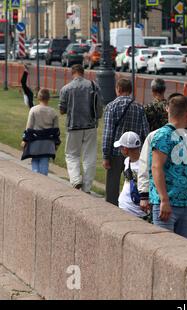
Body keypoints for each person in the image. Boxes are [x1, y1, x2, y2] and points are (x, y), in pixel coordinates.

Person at [138, 93, 187, 214]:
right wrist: (144, 194)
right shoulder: (156, 136)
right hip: (162, 201)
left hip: (186, 201)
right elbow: (147, 166)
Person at [149, 95, 187, 239]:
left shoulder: (184, 136)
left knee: (184, 251)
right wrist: (164, 200)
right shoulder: (164, 135)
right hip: (168, 206)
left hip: (186, 204)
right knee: (165, 250)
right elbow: (156, 168)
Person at [102, 78, 150, 206]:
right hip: (134, 153)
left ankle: (112, 207)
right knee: (134, 182)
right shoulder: (139, 107)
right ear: (130, 90)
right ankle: (133, 205)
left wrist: (106, 155)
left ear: (118, 89)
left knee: (113, 184)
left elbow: (108, 133)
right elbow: (146, 131)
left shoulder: (111, 106)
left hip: (117, 152)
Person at [59, 64, 103, 193]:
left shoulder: (66, 89)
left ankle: (75, 179)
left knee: (72, 155)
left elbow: (62, 109)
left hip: (73, 125)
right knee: (89, 156)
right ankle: (87, 187)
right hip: (90, 126)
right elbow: (99, 106)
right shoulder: (94, 86)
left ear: (72, 73)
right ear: (83, 73)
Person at [21, 89, 60, 176]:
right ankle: (43, 183)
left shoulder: (33, 110)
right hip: (48, 143)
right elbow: (56, 130)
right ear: (49, 98)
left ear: (38, 97)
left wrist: (24, 140)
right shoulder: (53, 112)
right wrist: (56, 143)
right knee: (44, 162)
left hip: (35, 141)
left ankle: (36, 181)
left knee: (35, 160)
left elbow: (29, 127)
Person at [114, 131, 148, 219]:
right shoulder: (143, 162)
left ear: (125, 149)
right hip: (134, 207)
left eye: (121, 148)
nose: (120, 150)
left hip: (130, 208)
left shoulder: (131, 162)